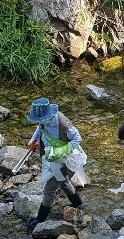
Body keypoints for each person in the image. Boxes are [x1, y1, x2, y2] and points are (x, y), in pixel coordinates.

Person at [25, 98, 86, 231]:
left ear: (49, 115)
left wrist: (62, 150)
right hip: (50, 156)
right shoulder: (43, 120)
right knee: (63, 181)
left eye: (41, 119)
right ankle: (79, 204)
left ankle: (40, 220)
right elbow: (39, 128)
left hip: (64, 158)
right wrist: (33, 139)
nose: (39, 122)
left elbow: (77, 138)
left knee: (49, 190)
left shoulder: (63, 123)